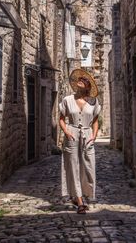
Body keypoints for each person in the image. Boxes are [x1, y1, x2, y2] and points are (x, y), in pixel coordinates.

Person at [59, 68, 101, 214]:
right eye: (80, 80)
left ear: (89, 86)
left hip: (88, 135)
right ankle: (79, 200)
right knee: (73, 166)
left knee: (88, 166)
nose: (81, 81)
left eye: (84, 80)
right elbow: (61, 119)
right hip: (72, 133)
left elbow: (95, 120)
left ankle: (87, 194)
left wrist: (94, 136)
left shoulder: (93, 102)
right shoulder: (67, 100)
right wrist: (66, 132)